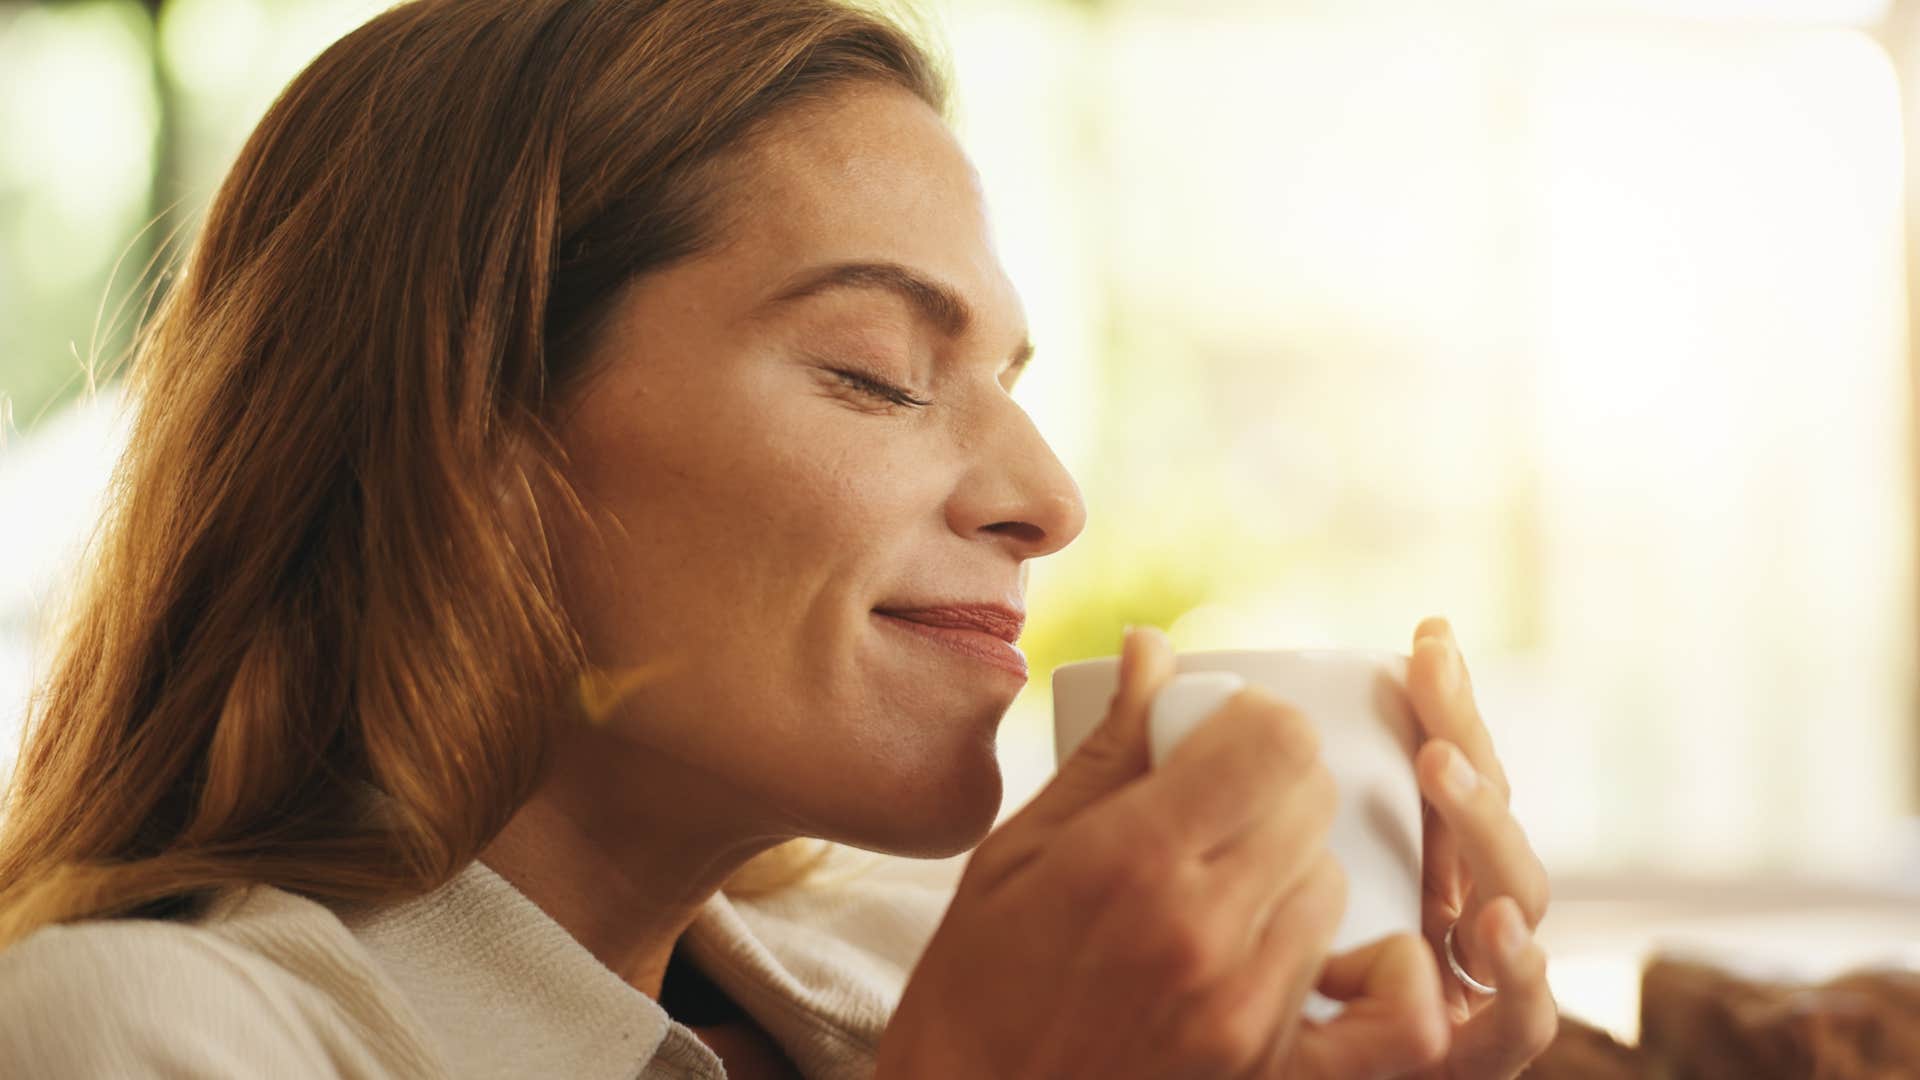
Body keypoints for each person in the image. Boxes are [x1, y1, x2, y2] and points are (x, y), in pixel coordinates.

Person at [0, 0, 1557, 1076]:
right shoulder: (137, 1034)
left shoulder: (911, 952)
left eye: (1010, 384)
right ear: (473, 441)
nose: (1049, 497)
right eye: (878, 373)